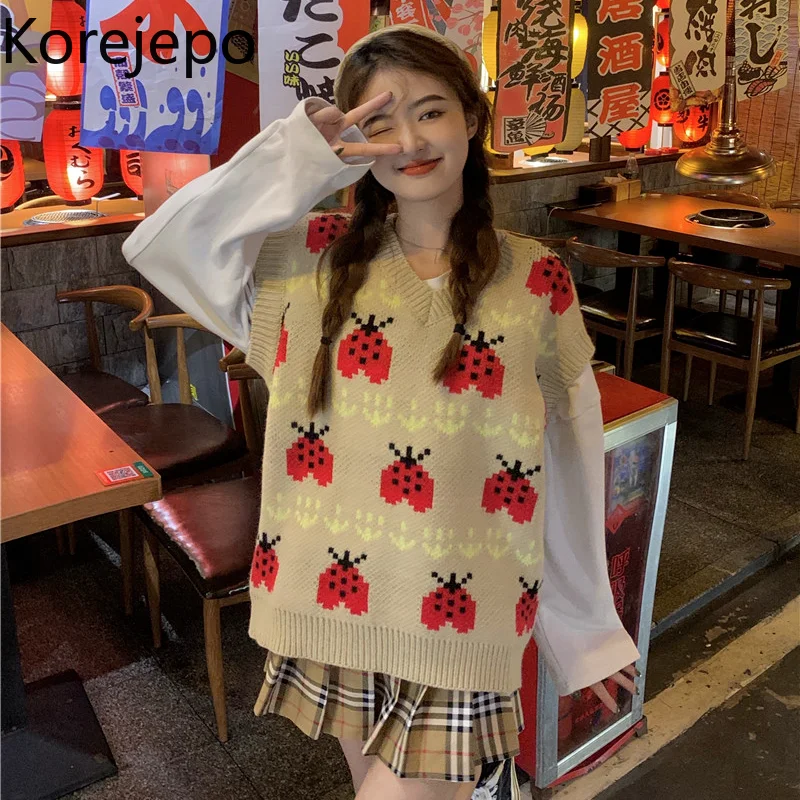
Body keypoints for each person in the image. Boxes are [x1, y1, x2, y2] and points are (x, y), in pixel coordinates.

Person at [122, 25, 640, 800]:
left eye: (430, 111)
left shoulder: (536, 278)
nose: (409, 141)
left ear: (472, 117)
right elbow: (164, 246)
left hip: (463, 613)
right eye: (379, 122)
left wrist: (584, 627)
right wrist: (300, 154)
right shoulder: (306, 259)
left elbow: (567, 459)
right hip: (330, 598)